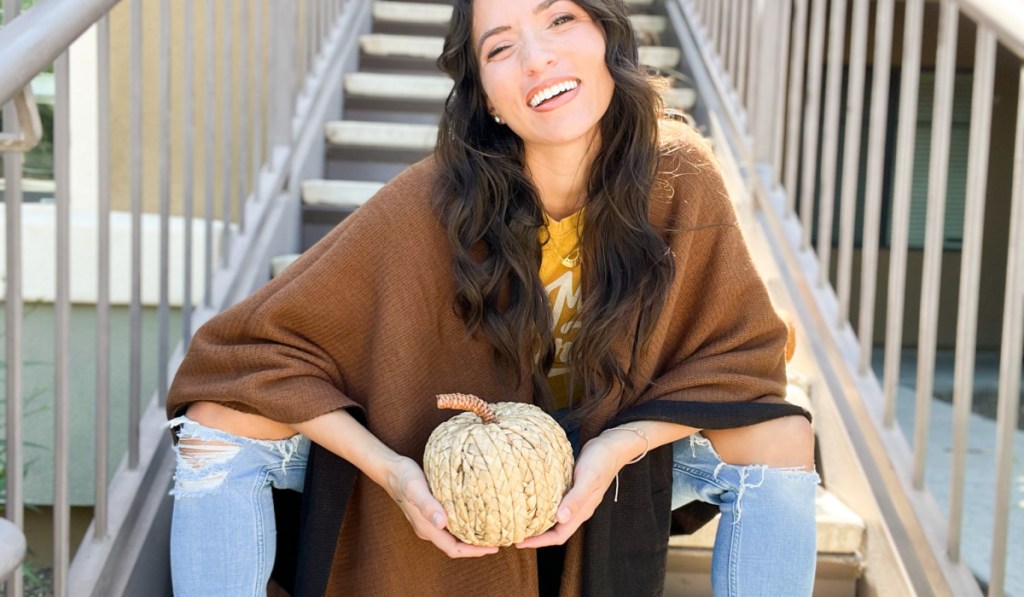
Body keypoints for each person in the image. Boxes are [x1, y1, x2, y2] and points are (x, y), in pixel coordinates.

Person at [165, 0, 820, 595]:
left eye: (560, 20)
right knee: (219, 420)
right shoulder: (433, 201)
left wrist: (616, 448)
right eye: (501, 47)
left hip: (613, 465)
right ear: (487, 98)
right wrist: (393, 471)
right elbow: (246, 352)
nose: (539, 59)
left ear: (605, 38)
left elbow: (743, 361)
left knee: (784, 434)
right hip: (454, 470)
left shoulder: (681, 179)